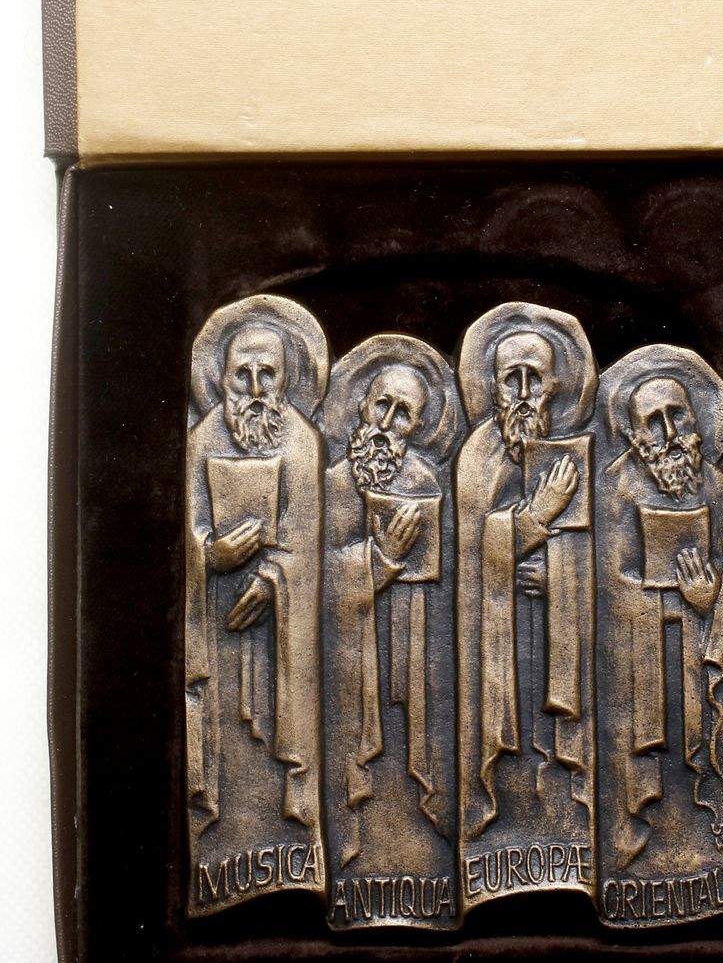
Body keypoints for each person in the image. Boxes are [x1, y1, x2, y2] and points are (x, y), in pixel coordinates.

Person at [595, 345, 723, 919]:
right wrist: (651, 598)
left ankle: (709, 860)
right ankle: (631, 864)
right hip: (637, 668)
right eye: (652, 422)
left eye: (676, 416)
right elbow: (602, 589)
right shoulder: (615, 488)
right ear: (634, 437)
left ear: (696, 420)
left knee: (698, 759)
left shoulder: (715, 484)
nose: (667, 434)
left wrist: (709, 602)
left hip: (695, 654)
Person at [185, 296, 329, 910]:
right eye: (240, 374)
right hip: (218, 631)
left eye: (267, 374)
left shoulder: (303, 443)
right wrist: (210, 556)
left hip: (280, 641)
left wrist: (273, 580)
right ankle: (222, 848)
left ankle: (292, 851)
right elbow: (186, 534)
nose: (253, 389)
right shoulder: (200, 442)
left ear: (287, 379)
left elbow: (309, 546)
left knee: (276, 745)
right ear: (220, 380)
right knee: (225, 739)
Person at [455, 303, 598, 902]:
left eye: (532, 379)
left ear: (556, 387)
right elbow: (470, 553)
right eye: (508, 378)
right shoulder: (476, 458)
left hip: (556, 632)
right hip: (497, 640)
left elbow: (598, 561)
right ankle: (498, 832)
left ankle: (568, 839)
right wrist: (536, 518)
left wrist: (560, 575)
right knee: (511, 755)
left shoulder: (575, 454)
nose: (519, 393)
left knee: (555, 753)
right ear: (490, 387)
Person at [322, 336, 463, 924]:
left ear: (419, 426)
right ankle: (351, 871)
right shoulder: (331, 483)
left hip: (416, 665)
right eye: (381, 405)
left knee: (411, 769)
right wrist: (378, 561)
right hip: (345, 669)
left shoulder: (430, 481)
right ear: (360, 404)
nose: (385, 423)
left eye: (403, 414)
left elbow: (457, 582)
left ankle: (425, 873)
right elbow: (313, 580)